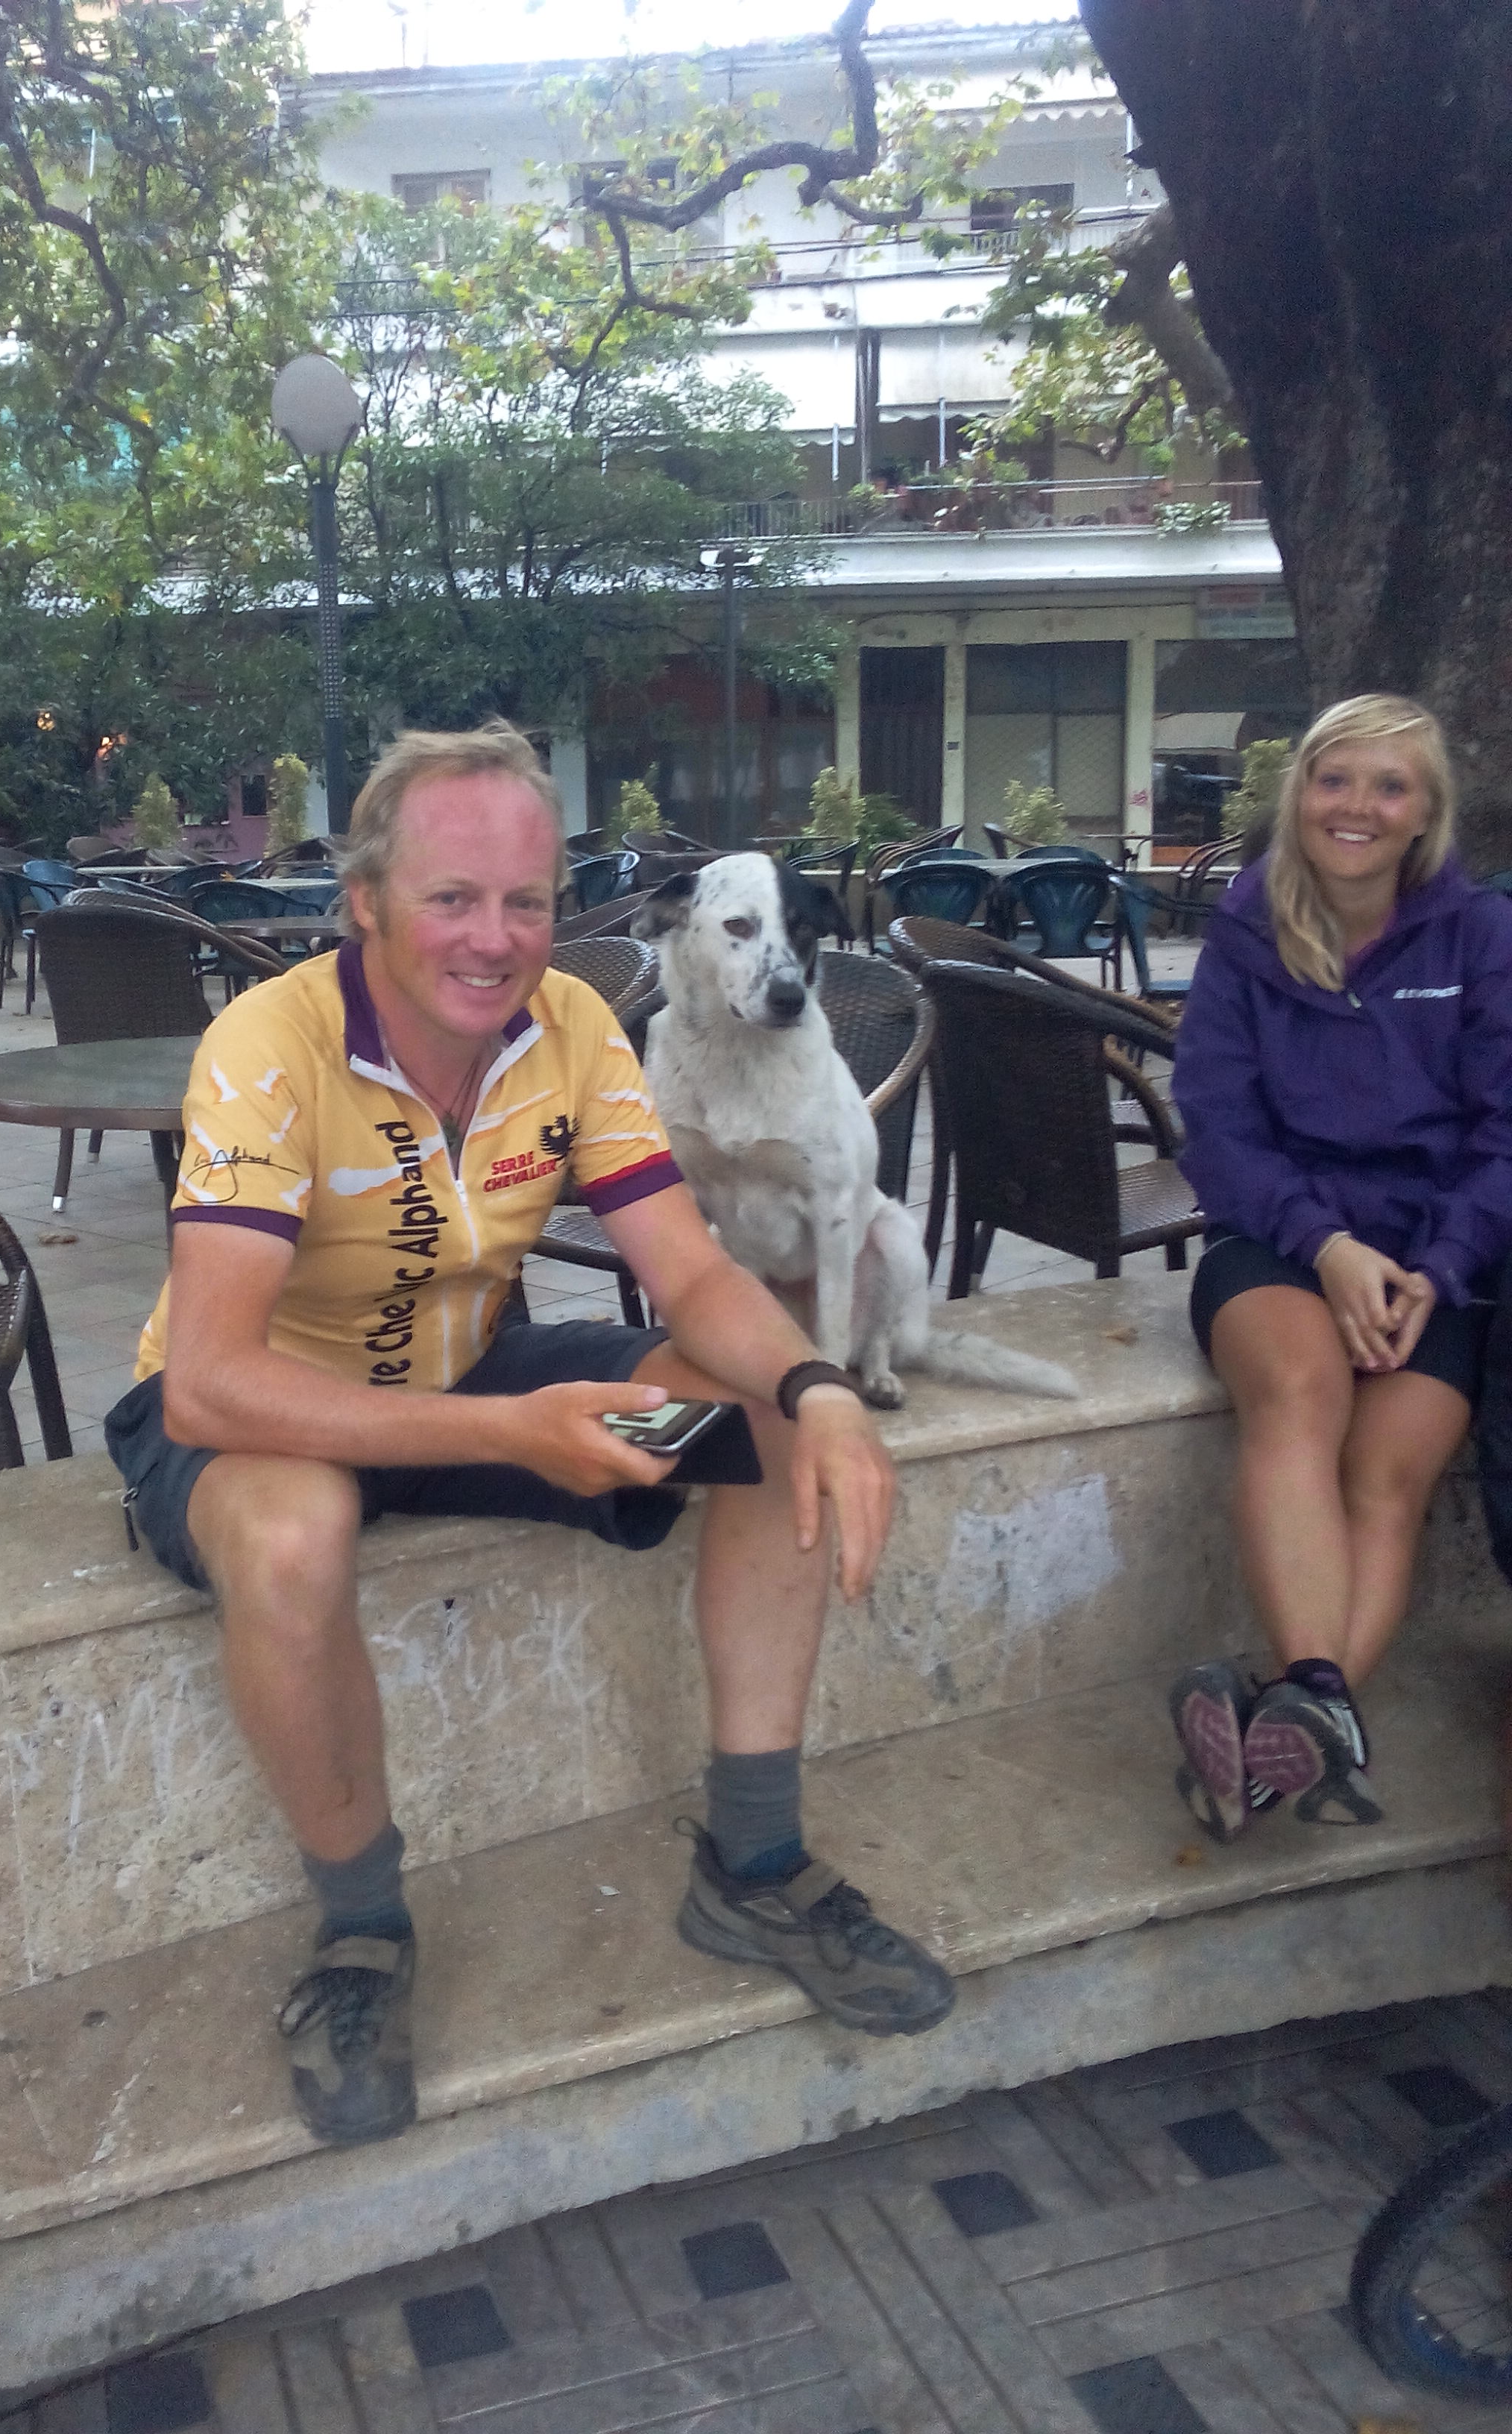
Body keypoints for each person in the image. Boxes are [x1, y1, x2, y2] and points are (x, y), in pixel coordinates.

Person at [104, 722, 955, 2148]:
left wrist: (816, 1387)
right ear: (365, 902)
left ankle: (754, 1867)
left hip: (477, 1377)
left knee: (755, 1413)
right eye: (451, 897)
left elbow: (691, 1276)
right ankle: (362, 1937)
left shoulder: (571, 1027)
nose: (494, 939)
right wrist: (510, 1431)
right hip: (269, 1416)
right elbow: (207, 1382)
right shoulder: (271, 1043)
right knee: (297, 1527)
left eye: (527, 901)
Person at [1167, 694, 1512, 1842]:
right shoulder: (1246, 928)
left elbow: (1505, 1132)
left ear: (1425, 813)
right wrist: (1328, 1245)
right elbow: (1218, 1127)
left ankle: (1280, 1742)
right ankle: (1317, 1707)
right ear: (1301, 795)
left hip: (1436, 1260)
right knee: (1300, 1394)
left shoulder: (1480, 936)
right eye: (1334, 779)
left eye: (1389, 785)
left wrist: (1439, 1263)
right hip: (1280, 1236)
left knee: (1387, 1475)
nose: (1356, 805)